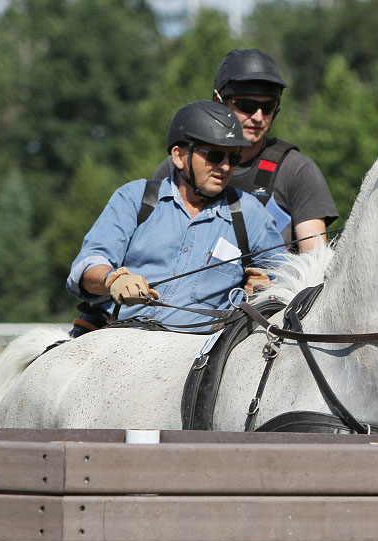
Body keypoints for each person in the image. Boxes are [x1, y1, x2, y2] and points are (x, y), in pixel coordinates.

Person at [68, 100, 286, 335]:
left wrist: (268, 291)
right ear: (180, 156)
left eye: (233, 158)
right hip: (118, 338)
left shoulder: (250, 213)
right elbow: (86, 267)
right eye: (214, 155)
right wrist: (112, 279)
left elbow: (286, 279)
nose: (224, 167)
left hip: (196, 359)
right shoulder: (134, 198)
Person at [151, 48, 338, 252]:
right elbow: (150, 244)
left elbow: (315, 260)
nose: (258, 117)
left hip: (271, 283)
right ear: (218, 102)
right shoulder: (180, 165)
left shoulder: (297, 170)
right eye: (246, 105)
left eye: (267, 107)